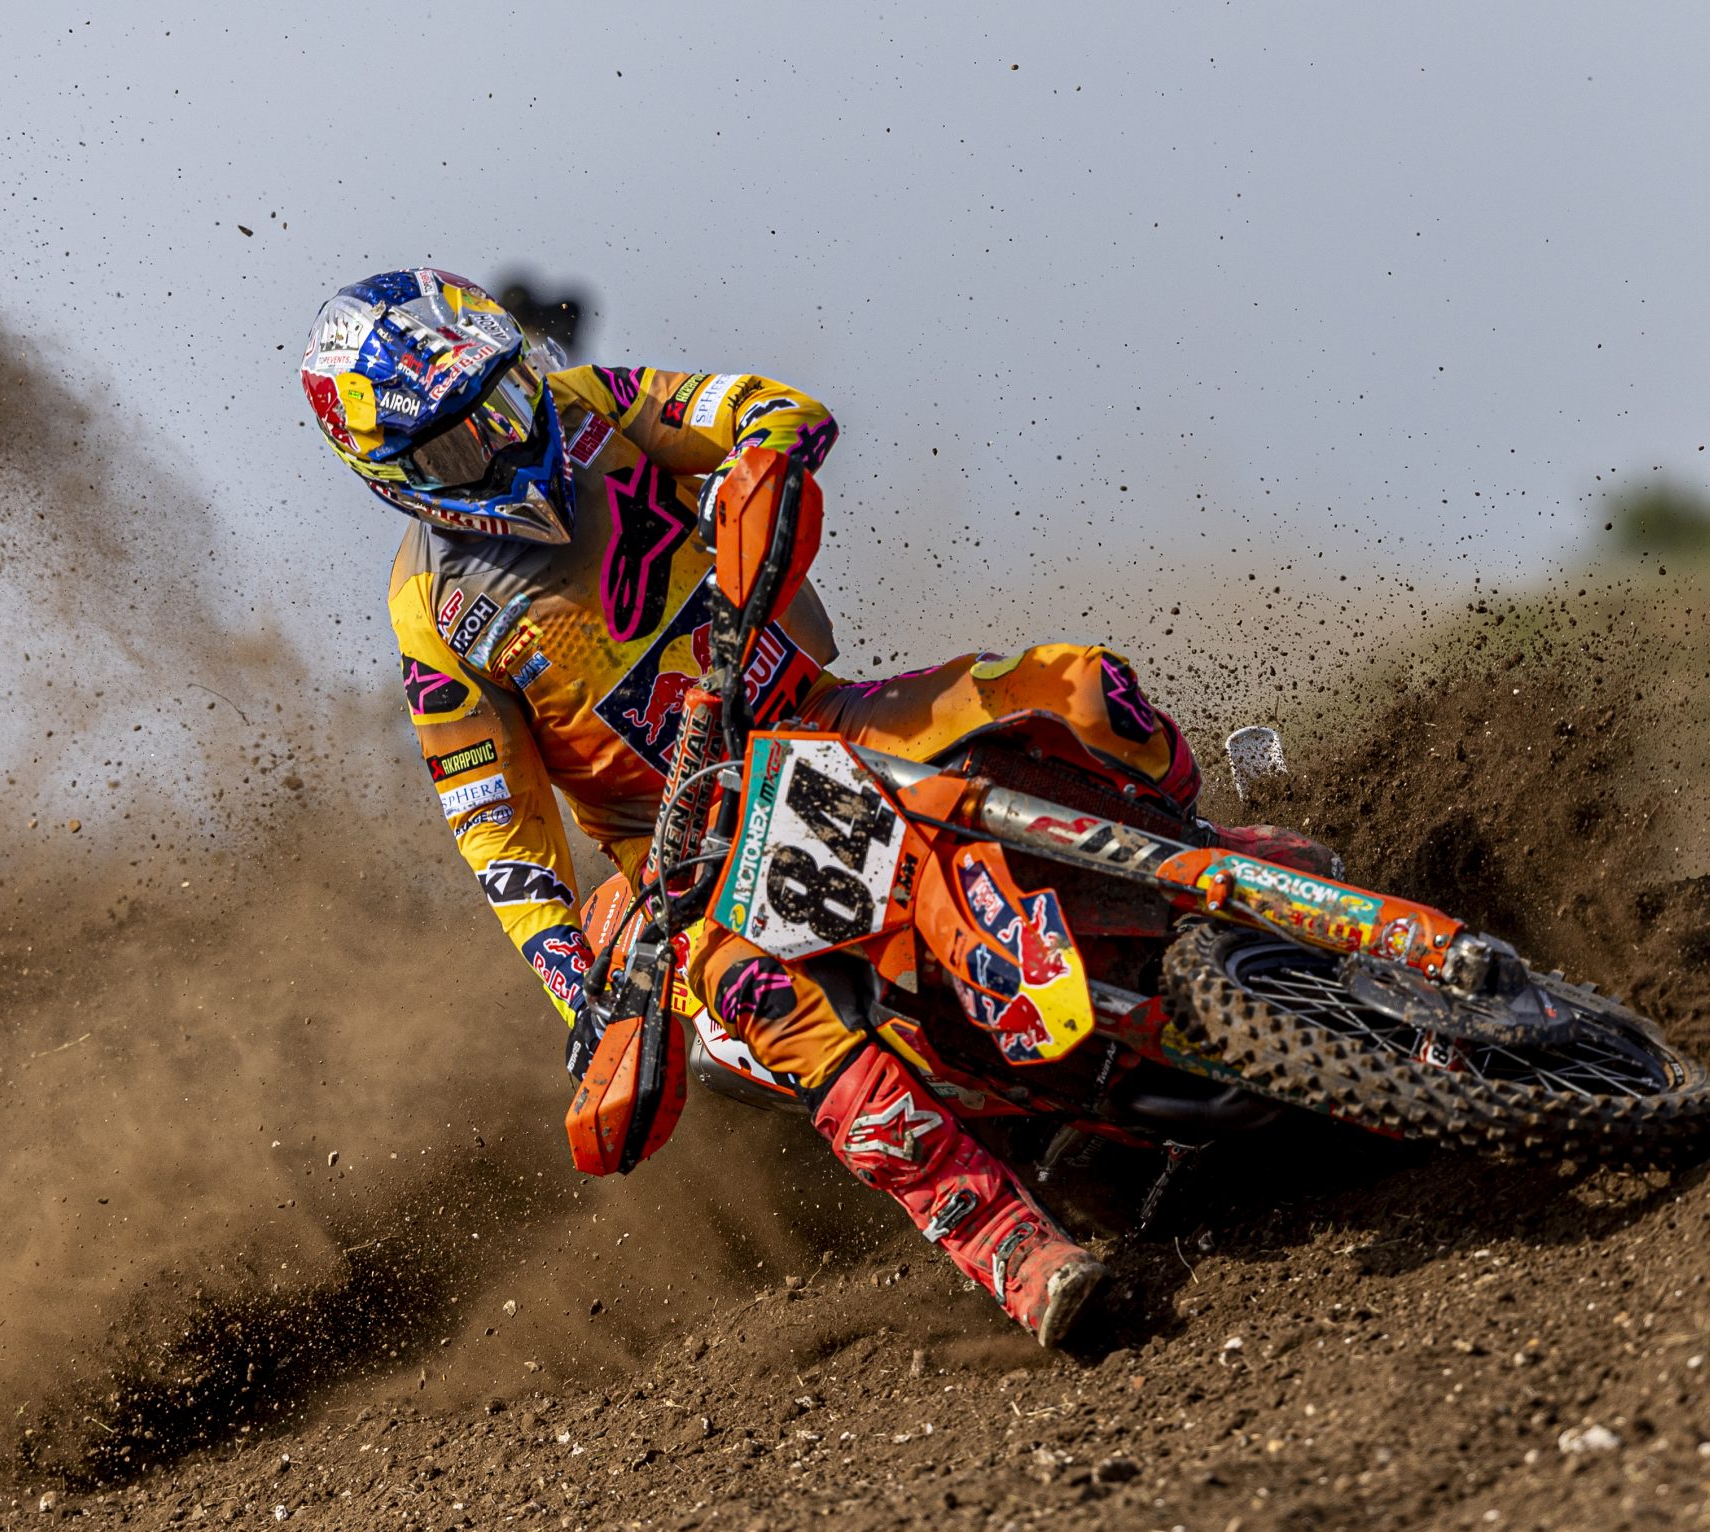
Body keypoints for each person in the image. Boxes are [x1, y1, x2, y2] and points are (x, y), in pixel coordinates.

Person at [301, 269, 1205, 1348]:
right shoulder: (432, 616)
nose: (500, 445)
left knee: (1084, 691)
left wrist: (763, 461)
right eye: (459, 445)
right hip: (688, 856)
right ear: (394, 476)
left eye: (500, 402)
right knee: (772, 1003)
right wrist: (579, 991)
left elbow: (772, 408)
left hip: (821, 714)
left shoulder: (597, 404)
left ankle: (1215, 878)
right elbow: (495, 828)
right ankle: (1003, 1240)